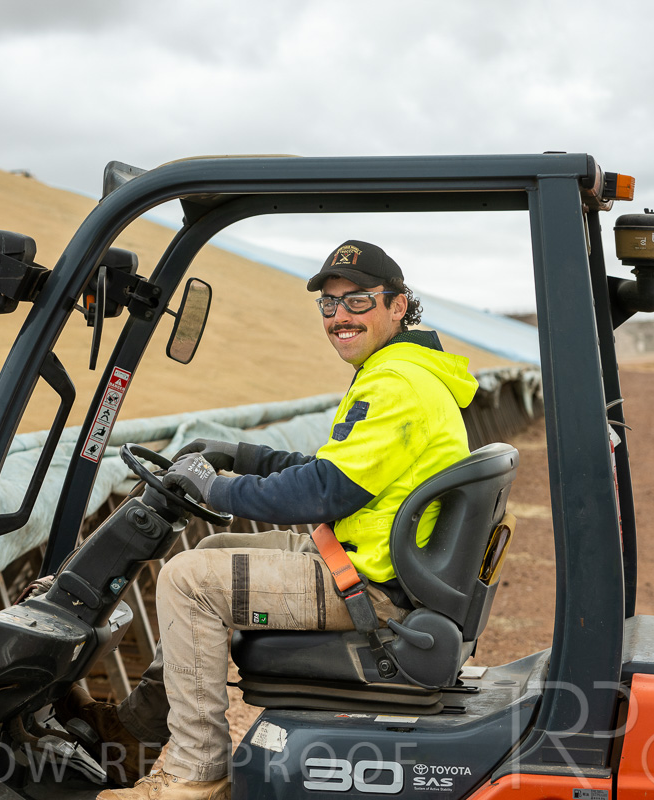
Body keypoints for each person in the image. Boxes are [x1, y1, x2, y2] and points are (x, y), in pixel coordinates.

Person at [57, 240, 480, 800]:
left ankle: (195, 773)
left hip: (371, 587)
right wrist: (243, 456)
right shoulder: (403, 371)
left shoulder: (396, 383)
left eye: (357, 301)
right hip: (372, 560)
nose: (340, 317)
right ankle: (139, 730)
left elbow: (325, 491)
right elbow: (335, 469)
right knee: (211, 553)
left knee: (186, 581)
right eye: (329, 304)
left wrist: (218, 487)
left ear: (397, 305)